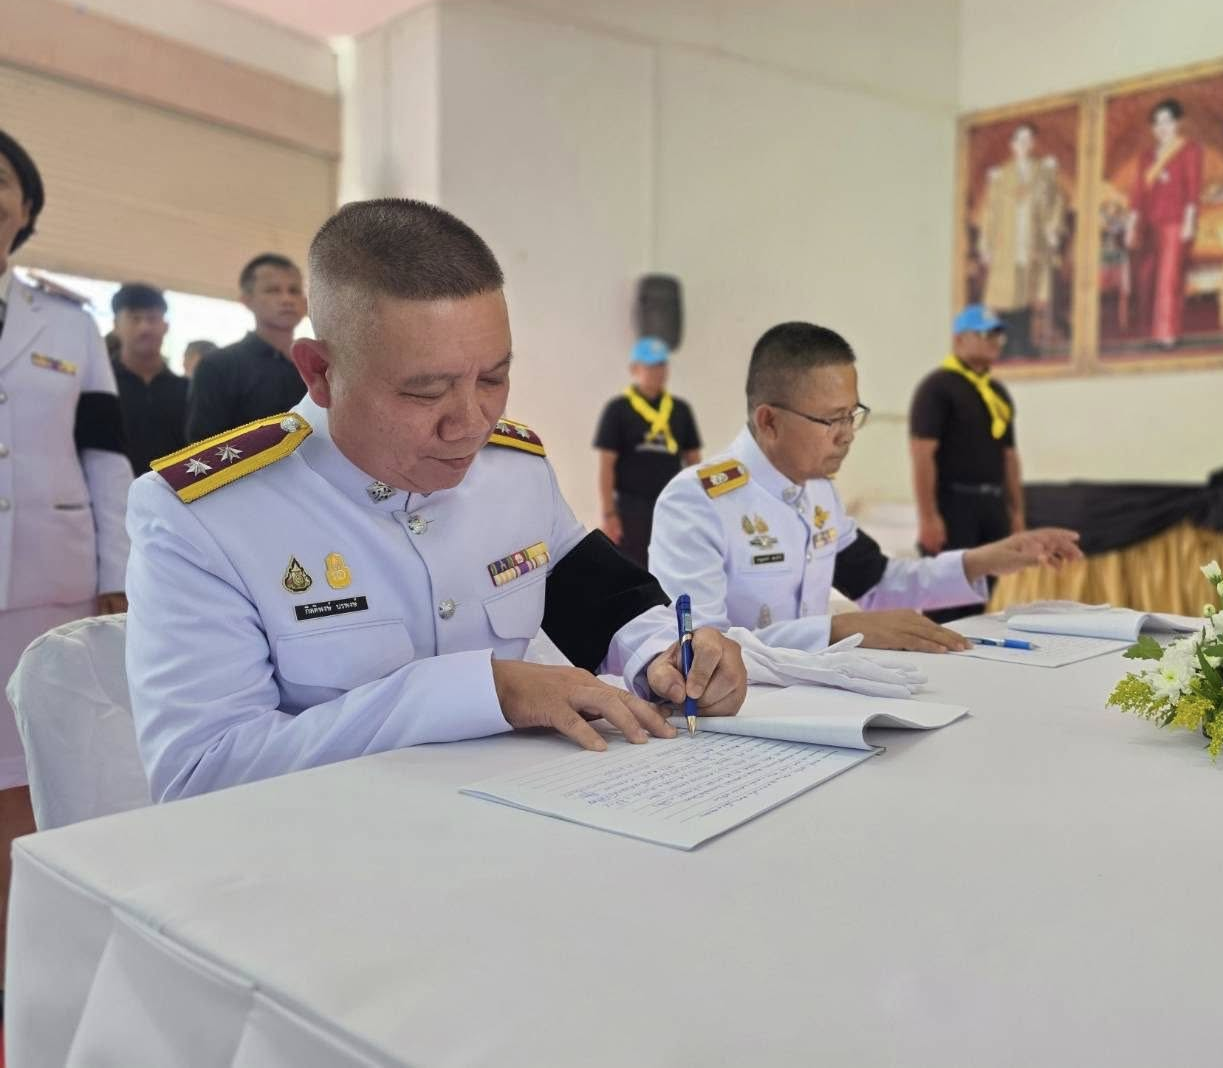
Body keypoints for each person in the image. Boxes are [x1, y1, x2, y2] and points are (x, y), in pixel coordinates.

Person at [126, 199, 746, 803]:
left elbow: (601, 599)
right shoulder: (205, 517)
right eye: (426, 392)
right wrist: (484, 693)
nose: (471, 424)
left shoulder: (515, 472)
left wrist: (667, 654)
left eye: (494, 378)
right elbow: (200, 774)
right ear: (320, 372)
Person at [647, 322, 1079, 653]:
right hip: (735, 721)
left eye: (852, 415)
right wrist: (834, 631)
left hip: (816, 698)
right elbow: (694, 649)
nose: (848, 434)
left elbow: (878, 582)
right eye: (832, 419)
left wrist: (984, 560)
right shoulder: (699, 501)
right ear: (769, 421)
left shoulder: (816, 491)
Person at [0, 129, 131, 976]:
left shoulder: (70, 324)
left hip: (49, 576)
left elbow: (106, 454)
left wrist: (117, 571)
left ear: (28, 206)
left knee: (33, 767)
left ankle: (29, 959)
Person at [909, 305, 1025, 624]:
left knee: (981, 599)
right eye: (986, 334)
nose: (995, 341)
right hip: (953, 506)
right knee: (946, 601)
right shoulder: (937, 388)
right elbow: (922, 454)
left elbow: (1009, 457)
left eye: (998, 335)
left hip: (991, 506)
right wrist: (928, 517)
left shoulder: (996, 392)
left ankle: (971, 651)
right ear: (960, 339)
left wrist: (1016, 513)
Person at [593, 336, 702, 568]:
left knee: (673, 567)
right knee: (634, 571)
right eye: (650, 365)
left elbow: (694, 463)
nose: (657, 371)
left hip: (674, 506)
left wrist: (698, 506)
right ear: (635, 369)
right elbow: (606, 466)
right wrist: (609, 514)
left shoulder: (680, 410)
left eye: (662, 365)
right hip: (631, 510)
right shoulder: (618, 409)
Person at [185, 253, 307, 440]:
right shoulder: (218, 366)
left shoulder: (317, 365)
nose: (287, 299)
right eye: (273, 290)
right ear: (247, 300)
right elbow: (204, 444)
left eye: (294, 290)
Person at [973, 122, 1064, 360]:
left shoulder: (1043, 171)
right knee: (1007, 292)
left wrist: (1053, 228)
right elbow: (991, 212)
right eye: (1020, 140)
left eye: (1028, 140)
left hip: (1033, 240)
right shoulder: (1001, 175)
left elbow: (1056, 201)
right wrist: (986, 244)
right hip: (1007, 241)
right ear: (1012, 145)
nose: (1024, 144)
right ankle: (1007, 343)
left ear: (1033, 143)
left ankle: (1024, 342)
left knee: (1027, 291)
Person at [1126, 98, 1203, 349]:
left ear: (1177, 123)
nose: (1162, 127)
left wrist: (1189, 222)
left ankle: (1167, 334)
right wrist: (1131, 224)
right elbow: (1137, 194)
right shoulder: (1146, 156)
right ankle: (1152, 333)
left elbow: (1193, 189)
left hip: (1175, 223)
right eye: (1157, 123)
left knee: (1168, 279)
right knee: (1148, 278)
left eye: (1167, 121)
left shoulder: (1189, 150)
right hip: (1149, 225)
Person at [110, 283, 188, 476]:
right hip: (110, 492)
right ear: (116, 326)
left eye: (152, 318)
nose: (145, 328)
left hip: (172, 492)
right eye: (135, 318)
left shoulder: (188, 390)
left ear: (165, 326)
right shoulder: (101, 386)